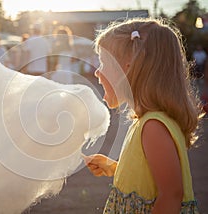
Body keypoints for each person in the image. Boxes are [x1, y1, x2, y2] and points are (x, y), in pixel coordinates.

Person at [84, 18, 202, 213]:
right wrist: (114, 168)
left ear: (128, 68)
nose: (97, 72)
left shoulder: (153, 126)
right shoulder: (145, 121)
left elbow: (171, 195)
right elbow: (148, 178)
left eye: (103, 63)